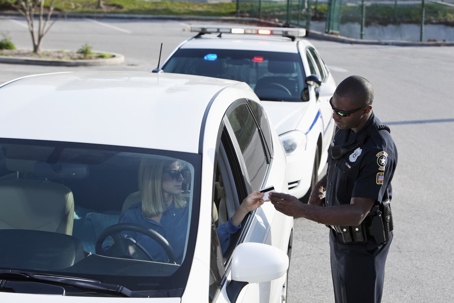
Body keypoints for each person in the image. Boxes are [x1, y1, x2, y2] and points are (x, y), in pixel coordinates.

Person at [269, 75, 397, 303]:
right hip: (340, 238)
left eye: (343, 113)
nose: (335, 116)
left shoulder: (377, 150)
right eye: (334, 108)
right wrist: (321, 185)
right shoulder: (345, 126)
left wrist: (301, 210)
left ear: (366, 110)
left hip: (363, 249)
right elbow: (340, 165)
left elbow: (358, 213)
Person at [120, 158, 265, 263]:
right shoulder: (131, 217)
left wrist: (243, 209)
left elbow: (213, 244)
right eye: (174, 173)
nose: (181, 178)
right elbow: (119, 257)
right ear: (155, 176)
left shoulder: (190, 210)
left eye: (182, 172)